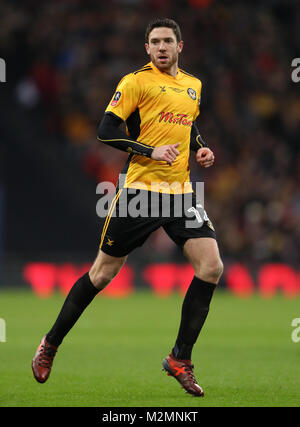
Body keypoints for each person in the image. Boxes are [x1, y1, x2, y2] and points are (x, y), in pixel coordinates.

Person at [32, 18, 223, 397]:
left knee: (212, 266)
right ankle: (51, 343)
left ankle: (179, 359)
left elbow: (188, 123)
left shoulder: (193, 85)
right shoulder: (135, 81)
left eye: (168, 40)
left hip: (181, 193)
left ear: (180, 47)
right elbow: (105, 130)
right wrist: (150, 151)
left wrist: (199, 146)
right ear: (147, 49)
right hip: (140, 192)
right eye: (155, 42)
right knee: (102, 275)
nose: (162, 47)